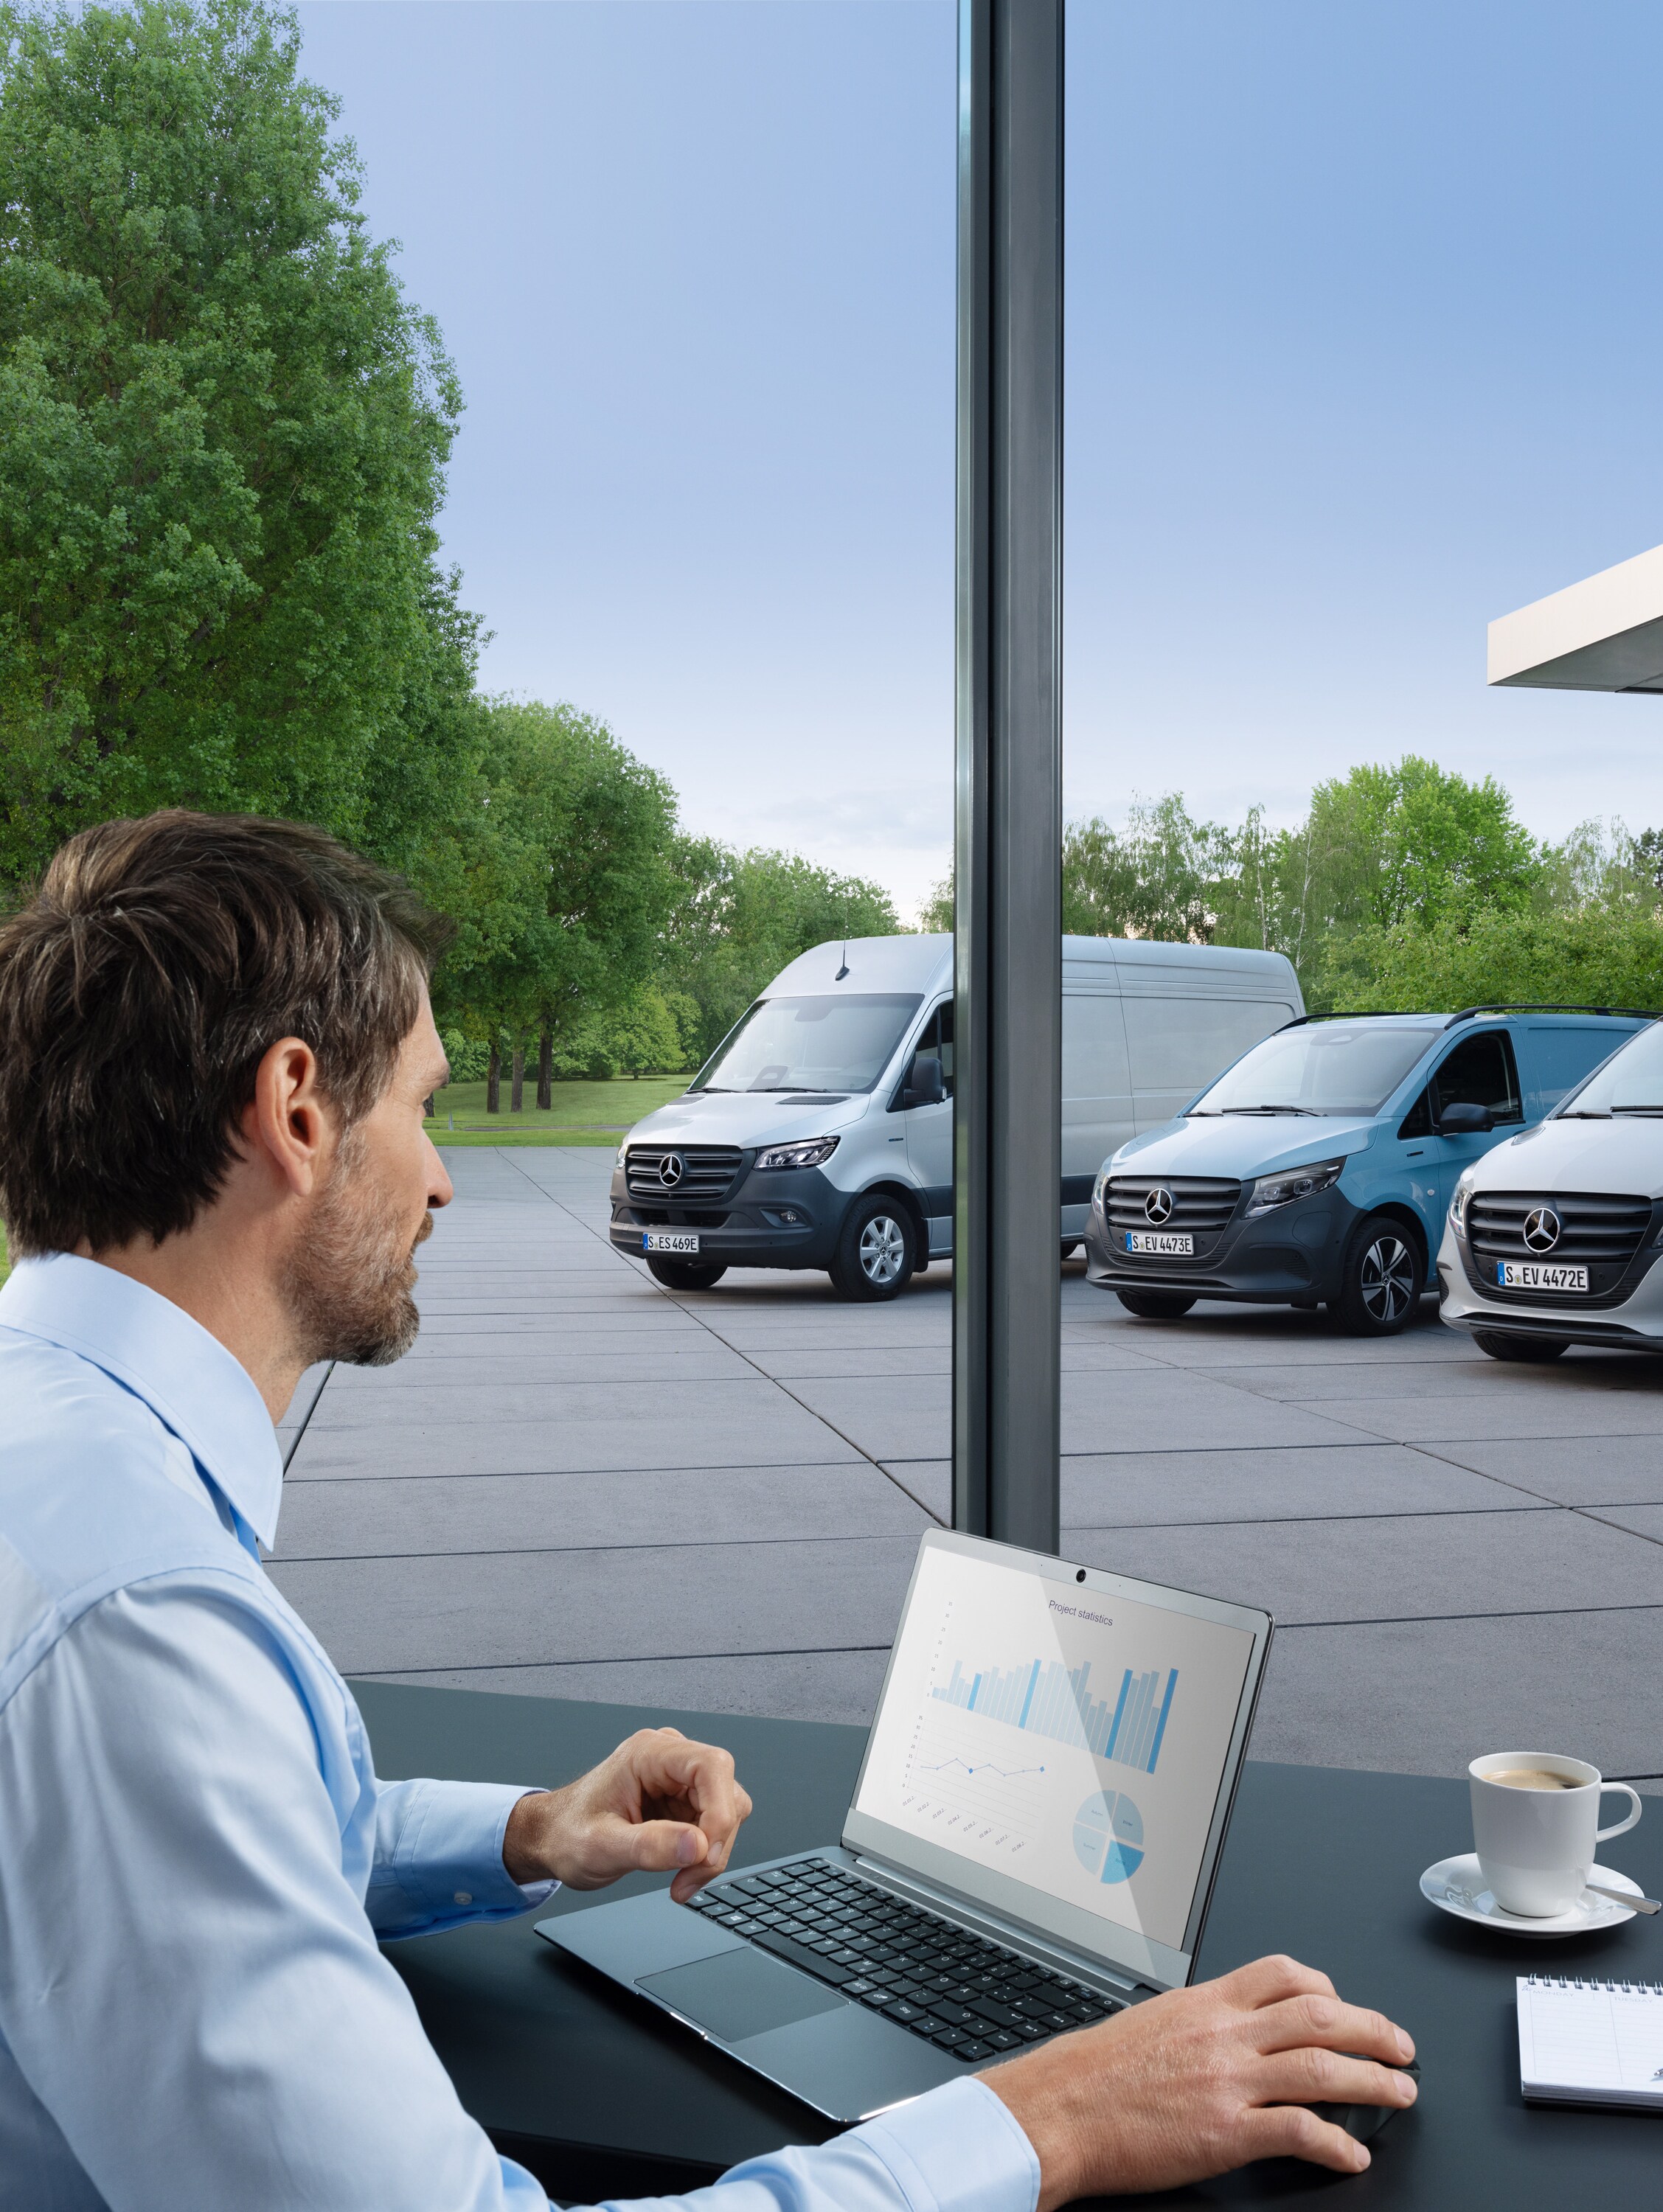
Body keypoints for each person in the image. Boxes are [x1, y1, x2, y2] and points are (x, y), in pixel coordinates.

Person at [0, 812, 1417, 2212]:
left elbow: (202, 1860)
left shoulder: (56, 1456)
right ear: (298, 1110)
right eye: (422, 1105)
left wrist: (530, 1834)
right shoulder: (138, 1628)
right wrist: (1049, 2119)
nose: (439, 1178)